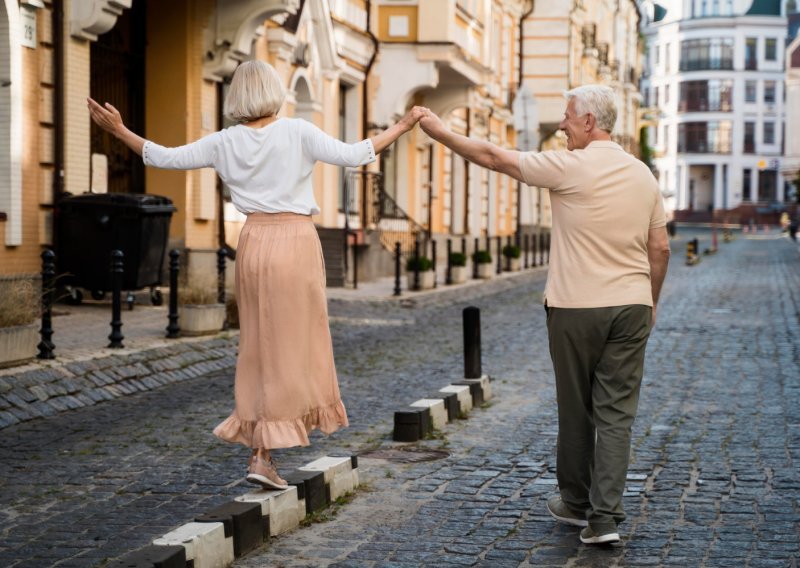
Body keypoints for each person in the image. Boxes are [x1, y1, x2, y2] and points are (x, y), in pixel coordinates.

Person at [88, 60, 423, 490]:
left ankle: (262, 451)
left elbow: (164, 157)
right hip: (295, 241)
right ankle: (266, 450)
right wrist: (406, 123)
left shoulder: (224, 142)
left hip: (253, 242)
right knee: (295, 344)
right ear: (274, 91)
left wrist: (119, 130)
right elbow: (356, 154)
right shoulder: (298, 131)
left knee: (260, 346)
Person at [418, 85, 670, 545]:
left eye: (568, 116)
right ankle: (604, 520)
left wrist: (439, 131)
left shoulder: (568, 166)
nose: (562, 125)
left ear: (590, 122)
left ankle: (576, 504)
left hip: (576, 306)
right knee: (617, 416)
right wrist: (650, 302)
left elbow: (494, 157)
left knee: (577, 411)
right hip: (632, 305)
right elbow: (661, 247)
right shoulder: (643, 175)